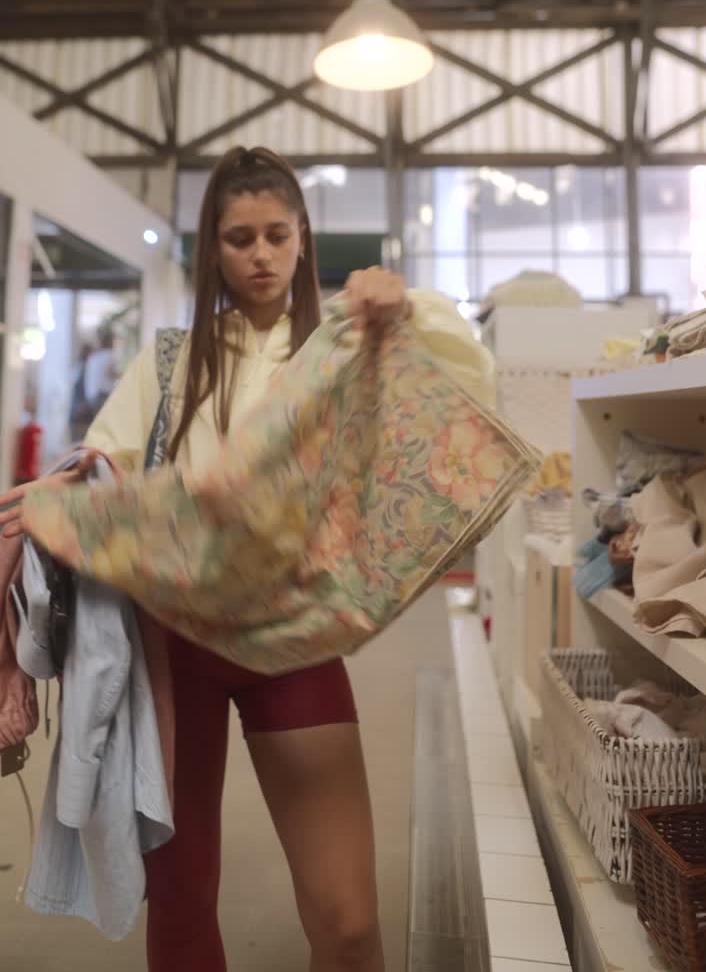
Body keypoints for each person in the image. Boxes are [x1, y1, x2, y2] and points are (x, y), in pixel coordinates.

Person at [0, 147, 494, 970]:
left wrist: (405, 304)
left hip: (296, 636)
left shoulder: (343, 344)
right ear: (212, 250)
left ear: (303, 237)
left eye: (275, 234)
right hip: (174, 646)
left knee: (346, 918)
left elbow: (464, 379)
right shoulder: (171, 361)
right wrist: (57, 501)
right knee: (184, 907)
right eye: (239, 238)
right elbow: (113, 474)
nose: (260, 254)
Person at [83, 327, 117, 420]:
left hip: (91, 394)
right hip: (103, 394)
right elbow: (109, 373)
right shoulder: (109, 355)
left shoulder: (93, 357)